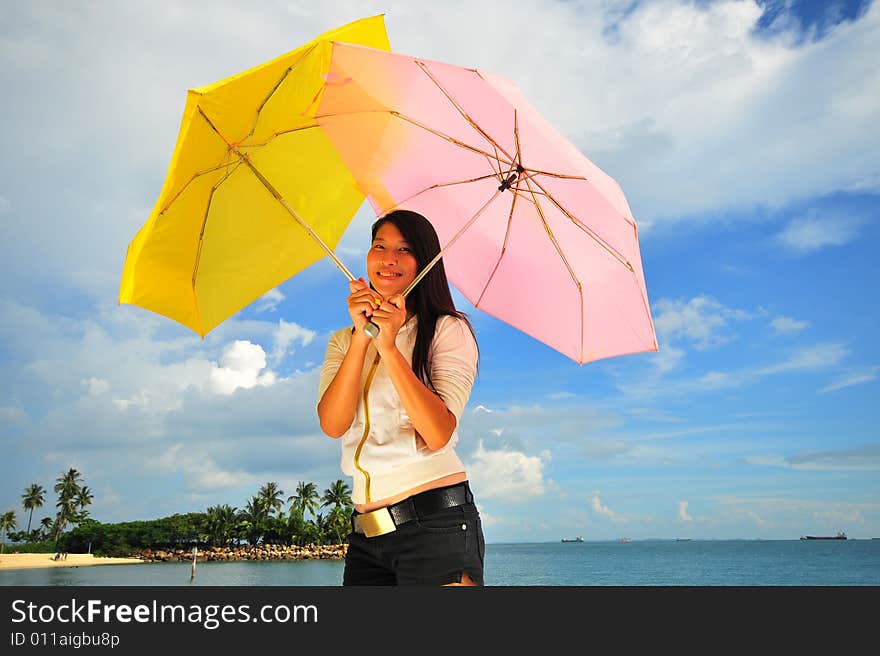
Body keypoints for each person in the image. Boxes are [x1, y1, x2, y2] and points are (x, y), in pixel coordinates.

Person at [317, 209, 484, 586]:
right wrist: (363, 336)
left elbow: (438, 433)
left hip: (436, 527)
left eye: (404, 249)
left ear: (424, 262)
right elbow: (333, 424)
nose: (388, 259)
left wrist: (390, 348)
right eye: (380, 246)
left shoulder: (447, 329)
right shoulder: (342, 341)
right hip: (365, 537)